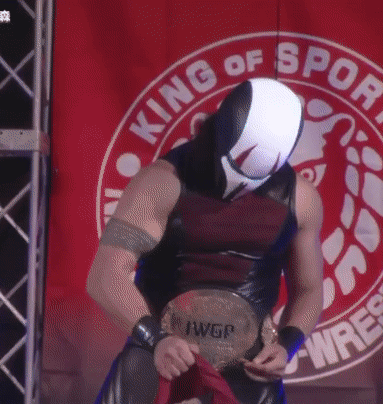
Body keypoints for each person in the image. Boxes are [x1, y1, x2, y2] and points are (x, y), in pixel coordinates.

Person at [86, 78, 324, 404]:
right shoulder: (160, 183)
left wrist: (287, 344)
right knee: (139, 374)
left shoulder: (301, 198)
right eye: (238, 167)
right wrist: (155, 338)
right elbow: (105, 275)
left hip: (248, 369)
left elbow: (309, 288)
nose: (244, 185)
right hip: (159, 357)